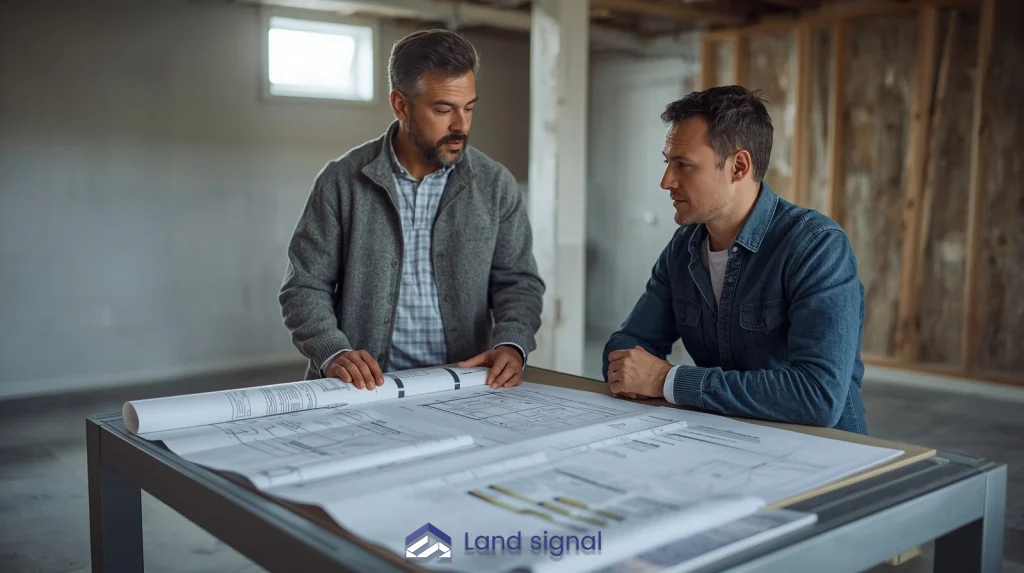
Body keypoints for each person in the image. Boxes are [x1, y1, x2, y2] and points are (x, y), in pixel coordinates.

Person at [279, 29, 544, 391]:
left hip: (464, 388)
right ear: (401, 105)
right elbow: (304, 287)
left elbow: (519, 283)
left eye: (469, 108)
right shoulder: (342, 180)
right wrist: (333, 352)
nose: (461, 126)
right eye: (443, 110)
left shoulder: (495, 184)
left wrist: (511, 344)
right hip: (362, 391)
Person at [602, 86, 868, 434]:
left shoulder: (817, 247)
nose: (666, 181)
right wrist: (631, 368)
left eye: (683, 165)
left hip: (825, 457)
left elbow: (818, 396)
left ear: (738, 166)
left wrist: (670, 380)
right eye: (668, 163)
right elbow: (629, 344)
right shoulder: (683, 248)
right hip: (724, 443)